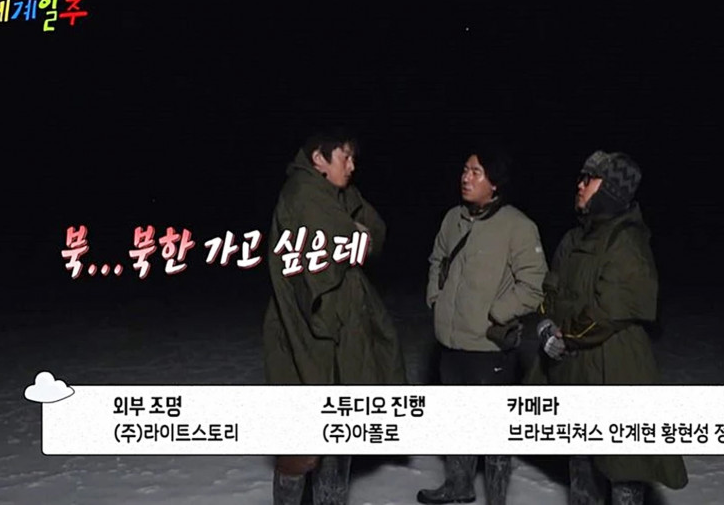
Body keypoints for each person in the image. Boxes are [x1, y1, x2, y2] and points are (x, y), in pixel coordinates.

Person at [530, 150, 688, 505]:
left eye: (589, 179)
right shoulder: (574, 239)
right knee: (580, 459)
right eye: (581, 177)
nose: (580, 185)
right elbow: (551, 290)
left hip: (616, 366)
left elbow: (611, 308)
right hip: (575, 367)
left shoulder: (626, 241)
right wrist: (545, 324)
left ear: (611, 189)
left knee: (624, 465)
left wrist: (566, 336)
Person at [262, 127, 407, 505]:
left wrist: (355, 230)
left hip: (340, 330)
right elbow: (330, 258)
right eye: (345, 157)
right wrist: (353, 234)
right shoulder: (303, 194)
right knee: (302, 445)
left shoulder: (337, 193)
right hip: (310, 332)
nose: (353, 166)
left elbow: (375, 234)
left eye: (353, 157)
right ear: (318, 159)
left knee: (336, 436)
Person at [417, 146, 549, 505]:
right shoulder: (453, 219)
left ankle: (496, 498)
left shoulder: (518, 227)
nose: (466, 178)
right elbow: (437, 259)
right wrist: (435, 297)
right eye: (465, 170)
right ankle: (458, 485)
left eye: (476, 172)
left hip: (488, 348)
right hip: (451, 343)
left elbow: (535, 284)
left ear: (495, 183)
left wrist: (496, 313)